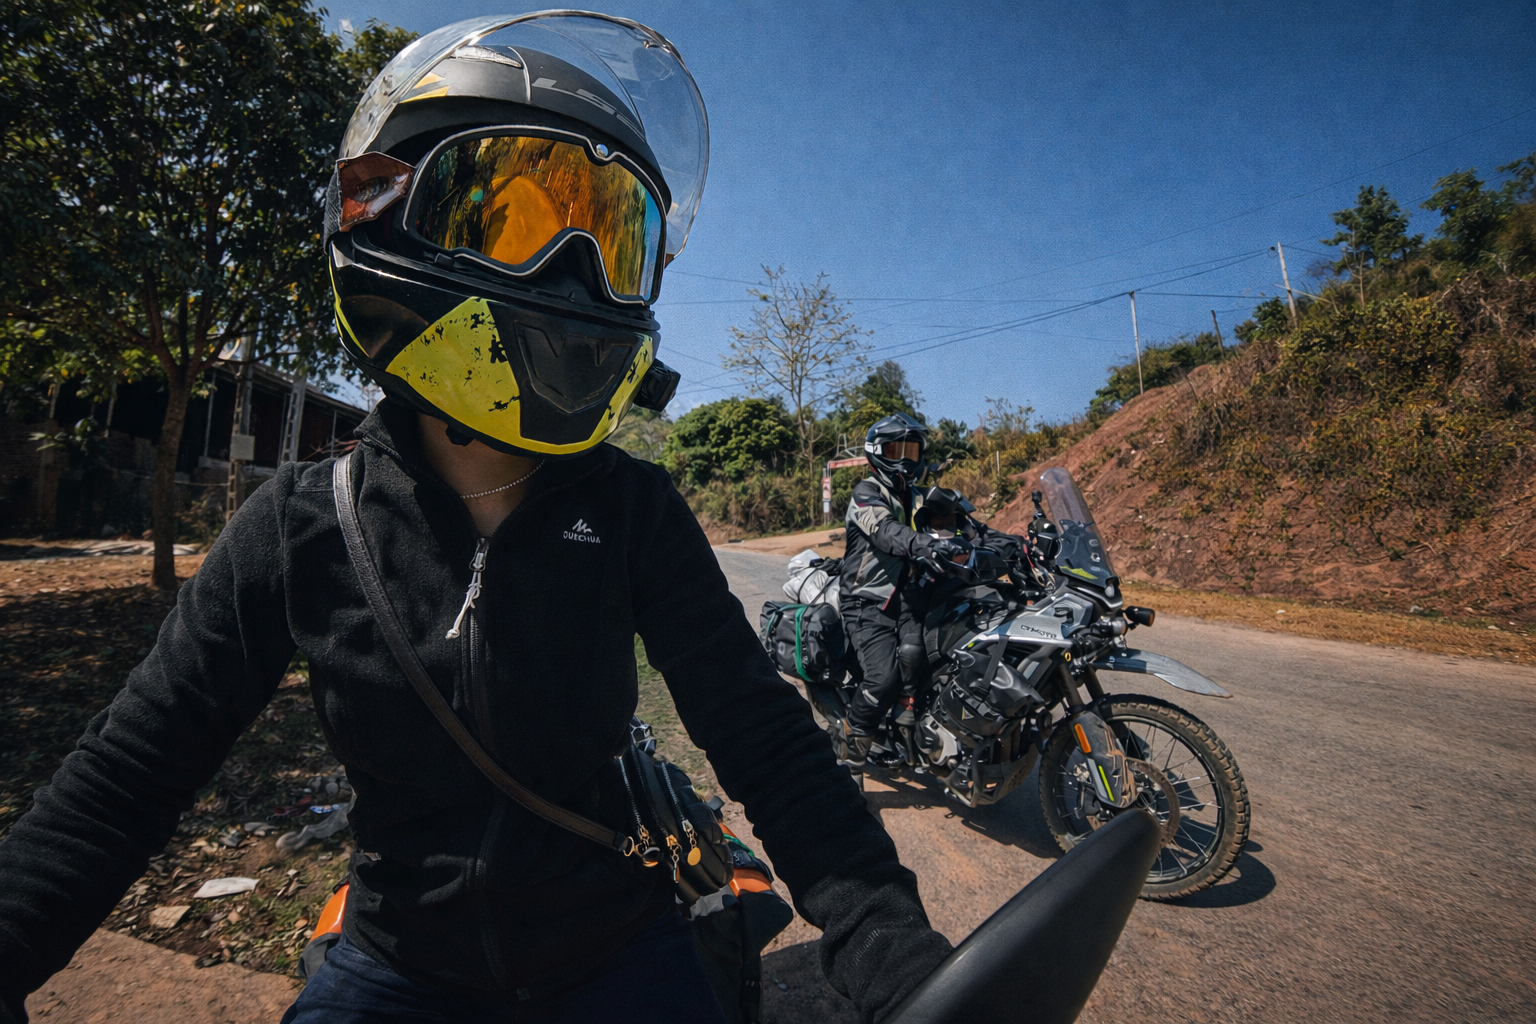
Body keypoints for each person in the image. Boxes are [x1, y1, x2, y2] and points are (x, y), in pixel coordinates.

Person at [0, 14, 952, 1024]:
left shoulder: (633, 510)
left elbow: (765, 738)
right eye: (514, 220)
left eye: (609, 237)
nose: (572, 271)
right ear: (383, 213)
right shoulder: (300, 526)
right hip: (399, 964)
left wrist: (887, 942)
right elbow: (128, 775)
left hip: (616, 949)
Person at [838, 414, 968, 769]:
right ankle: (847, 757)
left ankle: (913, 735)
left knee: (926, 659)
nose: (907, 459)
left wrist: (1013, 544)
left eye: (913, 450)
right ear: (878, 452)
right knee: (882, 681)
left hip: (910, 599)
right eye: (898, 450)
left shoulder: (919, 496)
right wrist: (927, 544)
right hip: (867, 602)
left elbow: (967, 523)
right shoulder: (866, 494)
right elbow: (886, 533)